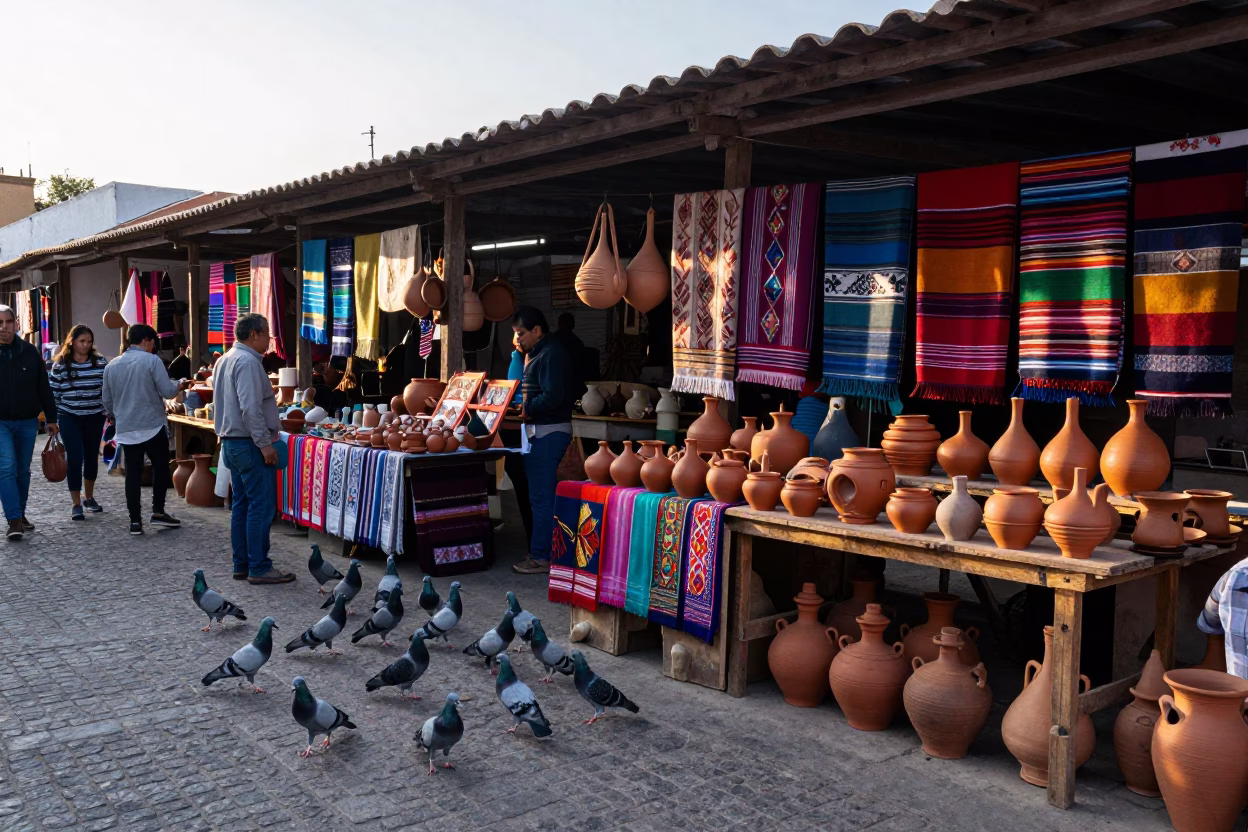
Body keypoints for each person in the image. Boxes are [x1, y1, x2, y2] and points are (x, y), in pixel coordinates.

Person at [214, 313, 294, 584]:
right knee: (259, 505)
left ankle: (243, 563)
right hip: (248, 442)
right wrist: (264, 445)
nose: (270, 339)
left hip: (233, 442)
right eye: (267, 333)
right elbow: (250, 409)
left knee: (242, 504)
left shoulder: (226, 359)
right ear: (253, 336)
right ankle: (258, 566)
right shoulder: (247, 362)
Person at [101, 323, 187, 536]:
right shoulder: (152, 361)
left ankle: (135, 522)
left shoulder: (112, 365)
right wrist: (180, 385)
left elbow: (107, 400)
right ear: (147, 341)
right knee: (160, 467)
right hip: (152, 425)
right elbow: (167, 391)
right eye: (152, 343)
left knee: (132, 472)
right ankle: (158, 512)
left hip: (127, 426)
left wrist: (117, 415)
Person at [511, 306, 572, 575]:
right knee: (540, 496)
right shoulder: (537, 354)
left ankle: (541, 556)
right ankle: (541, 553)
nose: (518, 340)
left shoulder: (552, 353)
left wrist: (528, 408)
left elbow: (553, 396)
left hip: (548, 433)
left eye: (521, 334)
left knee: (541, 497)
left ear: (537, 330)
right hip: (538, 432)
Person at [0, 304, 58, 541]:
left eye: (7, 322)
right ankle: (13, 519)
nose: (3, 327)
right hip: (0, 422)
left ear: (16, 324)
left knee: (22, 471)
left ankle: (20, 514)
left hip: (27, 421)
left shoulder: (30, 352)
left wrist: (52, 418)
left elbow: (43, 387)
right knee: (6, 468)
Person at [49, 324, 109, 521]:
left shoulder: (100, 363)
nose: (85, 345)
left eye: (89, 341)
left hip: (94, 416)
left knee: (92, 456)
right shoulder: (60, 365)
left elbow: (107, 390)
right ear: (72, 341)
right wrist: (54, 420)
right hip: (69, 417)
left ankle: (89, 497)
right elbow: (54, 394)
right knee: (75, 457)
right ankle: (76, 503)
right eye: (82, 341)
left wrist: (108, 411)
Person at [1198, 558, 1248, 678]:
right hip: (1235, 693)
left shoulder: (1236, 574)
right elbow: (1210, 621)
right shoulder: (1235, 577)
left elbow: (1209, 621)